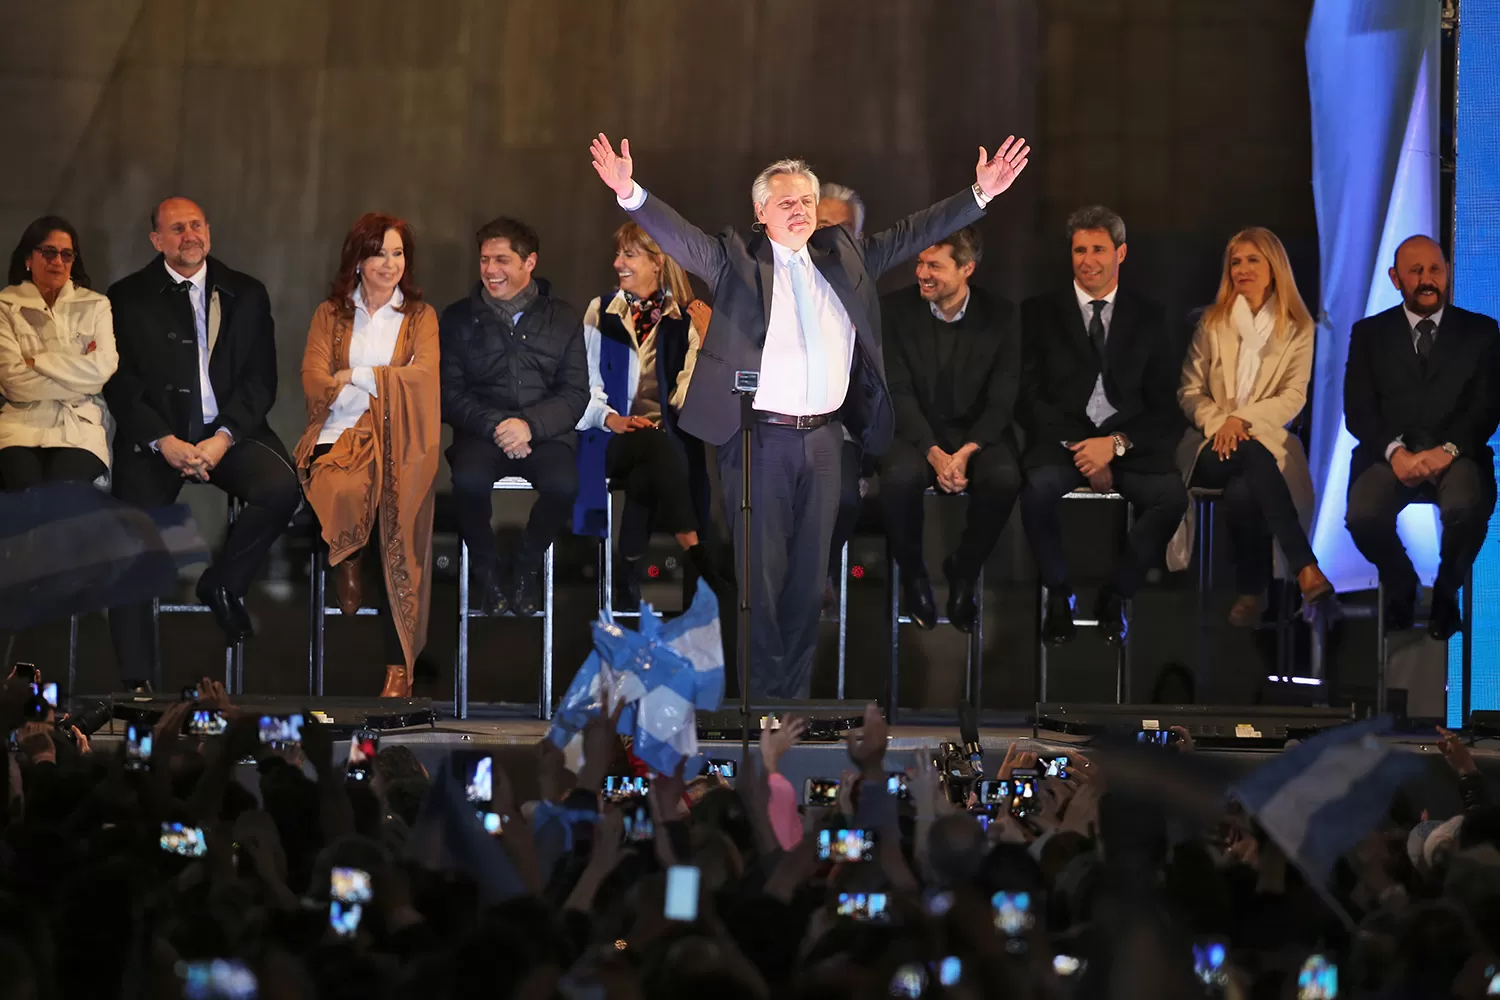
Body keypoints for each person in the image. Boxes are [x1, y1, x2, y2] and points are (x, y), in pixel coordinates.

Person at [590, 131, 1031, 699]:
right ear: (761, 212)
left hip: (824, 439)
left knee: (806, 581)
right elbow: (679, 240)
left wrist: (980, 194)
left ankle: (789, 708)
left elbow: (915, 231)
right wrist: (630, 193)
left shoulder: (844, 254)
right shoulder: (735, 258)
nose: (799, 211)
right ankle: (758, 703)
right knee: (761, 579)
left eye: (806, 201)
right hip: (759, 439)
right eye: (786, 202)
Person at [103, 197, 300, 677]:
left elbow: (261, 381)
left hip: (226, 432)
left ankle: (223, 583)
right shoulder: (126, 297)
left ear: (208, 230)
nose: (188, 235)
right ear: (156, 240)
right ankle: (138, 686)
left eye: (195, 225)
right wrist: (162, 440)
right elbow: (119, 382)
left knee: (283, 487)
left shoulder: (246, 292)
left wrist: (224, 437)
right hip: (156, 440)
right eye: (176, 228)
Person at [1018, 206, 1187, 645]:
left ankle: (1117, 594)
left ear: (1121, 253)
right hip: (1062, 444)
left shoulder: (1150, 317)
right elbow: (1029, 396)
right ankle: (1059, 596)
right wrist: (1084, 449)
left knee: (1171, 497)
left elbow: (1164, 406)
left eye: (1098, 249)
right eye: (1079, 250)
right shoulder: (1038, 313)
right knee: (1035, 490)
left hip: (1128, 444)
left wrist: (1114, 445)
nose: (1087, 260)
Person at [293, 213, 440, 698]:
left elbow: (424, 381)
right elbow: (315, 378)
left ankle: (399, 669)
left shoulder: (420, 318)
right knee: (343, 485)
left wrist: (357, 376)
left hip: (401, 443)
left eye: (398, 254)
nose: (389, 264)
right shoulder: (329, 315)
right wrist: (376, 379)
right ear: (357, 259)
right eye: (379, 253)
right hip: (338, 433)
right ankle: (346, 554)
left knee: (397, 537)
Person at [1169, 228, 1332, 625]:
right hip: (1209, 445)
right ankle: (1305, 568)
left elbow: (1293, 397)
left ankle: (1252, 589)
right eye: (1236, 261)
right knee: (1249, 456)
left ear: (1274, 267)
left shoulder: (1299, 327)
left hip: (1265, 443)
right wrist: (1222, 424)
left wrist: (1242, 422)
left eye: (1252, 259)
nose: (1242, 268)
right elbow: (1189, 391)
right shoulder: (1211, 323)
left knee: (1246, 487)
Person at [1344, 235, 1500, 639]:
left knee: (1467, 506)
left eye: (1435, 269)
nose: (1427, 279)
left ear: (1447, 274)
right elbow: (1358, 411)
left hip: (1456, 454)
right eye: (1416, 271)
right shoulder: (1368, 334)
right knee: (1362, 515)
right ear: (1396, 279)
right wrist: (1396, 452)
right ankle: (1403, 583)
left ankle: (1447, 592)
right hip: (1389, 455)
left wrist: (1447, 450)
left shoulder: (1482, 332)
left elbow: (1487, 408)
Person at [440, 217, 589, 616]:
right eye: (485, 260)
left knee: (564, 485)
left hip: (544, 436)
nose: (490, 270)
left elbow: (576, 393)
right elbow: (448, 393)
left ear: (530, 262)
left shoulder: (563, 318)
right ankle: (487, 574)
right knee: (466, 482)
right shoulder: (457, 319)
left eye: (502, 260)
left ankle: (526, 567)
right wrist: (495, 425)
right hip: (479, 434)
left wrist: (530, 426)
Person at [880, 227, 1021, 633]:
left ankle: (964, 570)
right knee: (899, 477)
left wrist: (966, 451)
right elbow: (897, 390)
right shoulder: (894, 310)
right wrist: (934, 451)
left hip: (977, 434)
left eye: (934, 265)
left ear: (966, 269)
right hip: (915, 432)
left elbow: (1004, 396)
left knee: (1004, 478)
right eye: (920, 263)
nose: (922, 273)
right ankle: (914, 574)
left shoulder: (1001, 315)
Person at [573, 222, 716, 609]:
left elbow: (690, 394)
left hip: (665, 438)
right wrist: (610, 419)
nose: (617, 262)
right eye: (618, 254)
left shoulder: (686, 318)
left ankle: (628, 569)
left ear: (658, 263)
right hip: (609, 435)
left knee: (651, 465)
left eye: (629, 255)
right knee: (657, 447)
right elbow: (582, 384)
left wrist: (709, 338)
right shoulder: (601, 312)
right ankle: (695, 549)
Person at [0, 216, 118, 489]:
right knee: (24, 491)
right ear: (28, 258)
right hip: (19, 426)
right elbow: (14, 382)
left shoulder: (96, 305)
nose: (58, 261)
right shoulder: (5, 305)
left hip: (79, 427)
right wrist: (78, 376)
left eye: (66, 254)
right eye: (48, 252)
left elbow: (102, 372)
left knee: (65, 493)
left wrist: (37, 362)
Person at [816, 182, 870, 612]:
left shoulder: (867, 293)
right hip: (779, 427)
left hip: (843, 429)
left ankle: (824, 573)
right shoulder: (775, 283)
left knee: (844, 496)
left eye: (841, 228)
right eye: (821, 226)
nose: (830, 238)